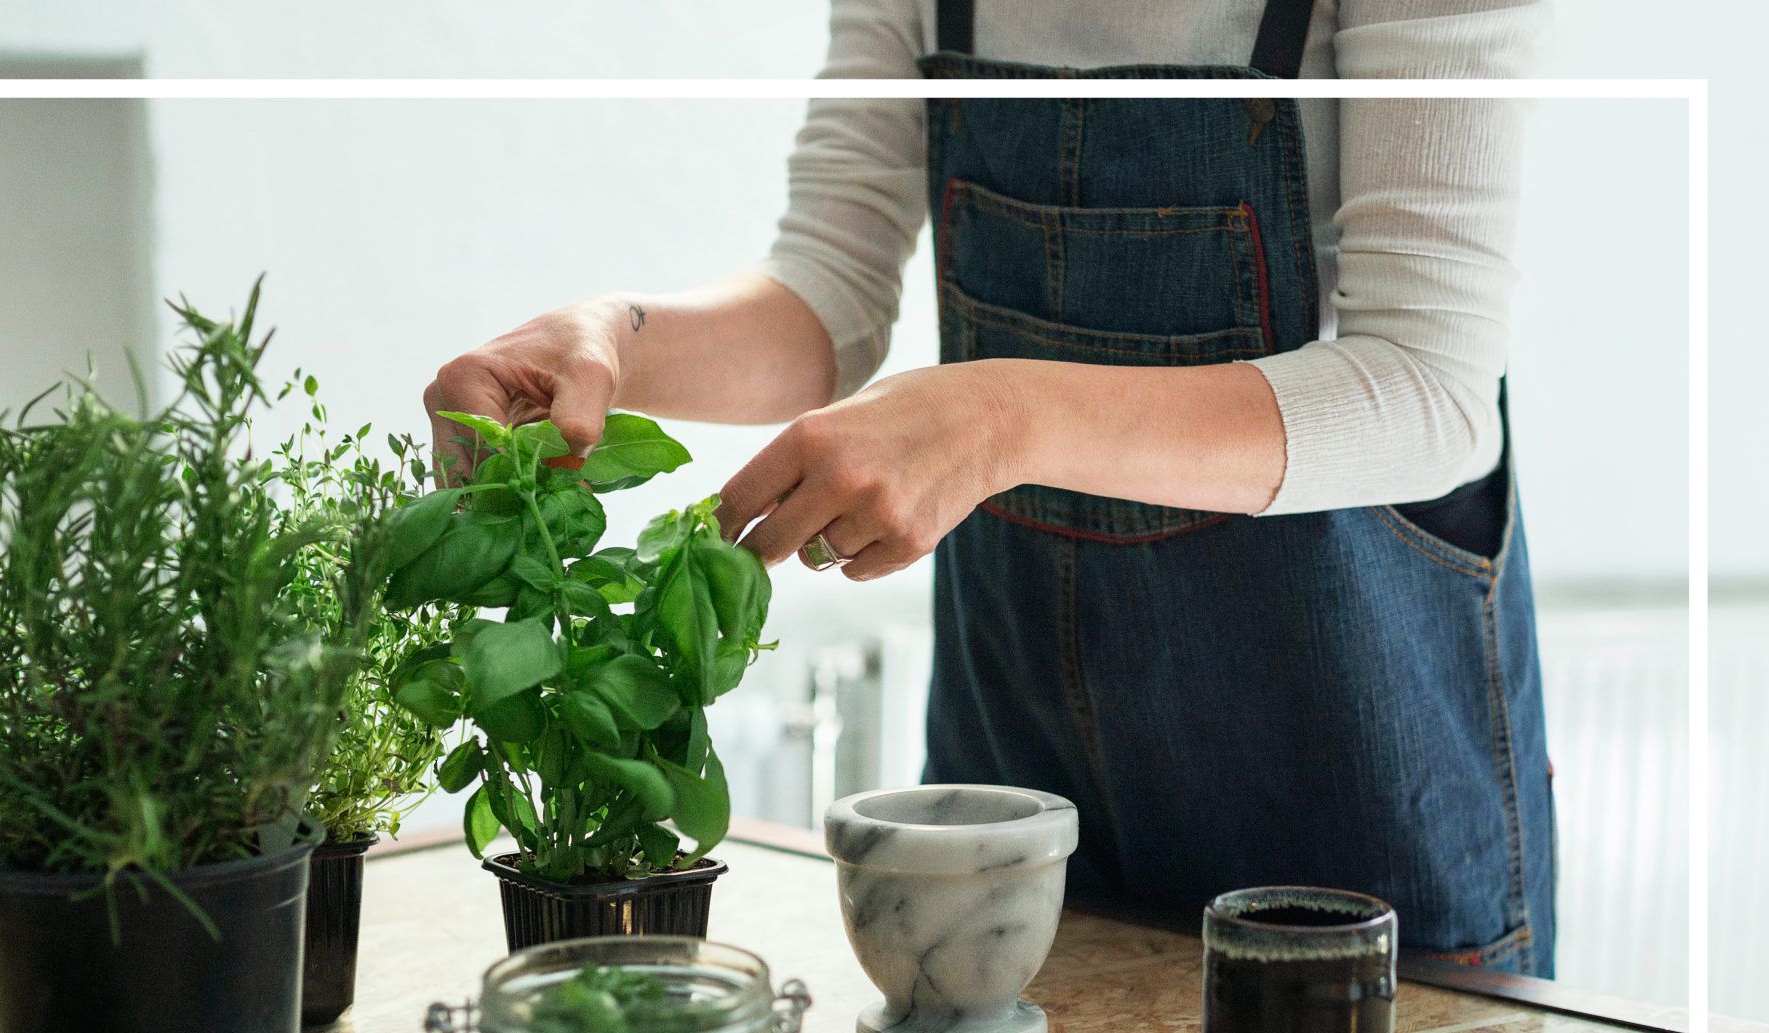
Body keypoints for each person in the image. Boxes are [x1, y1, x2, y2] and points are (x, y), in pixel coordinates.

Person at [422, 0, 1557, 976]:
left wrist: (995, 417)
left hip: (1352, 808)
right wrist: (606, 345)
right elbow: (832, 287)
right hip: (1015, 795)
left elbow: (1423, 389)